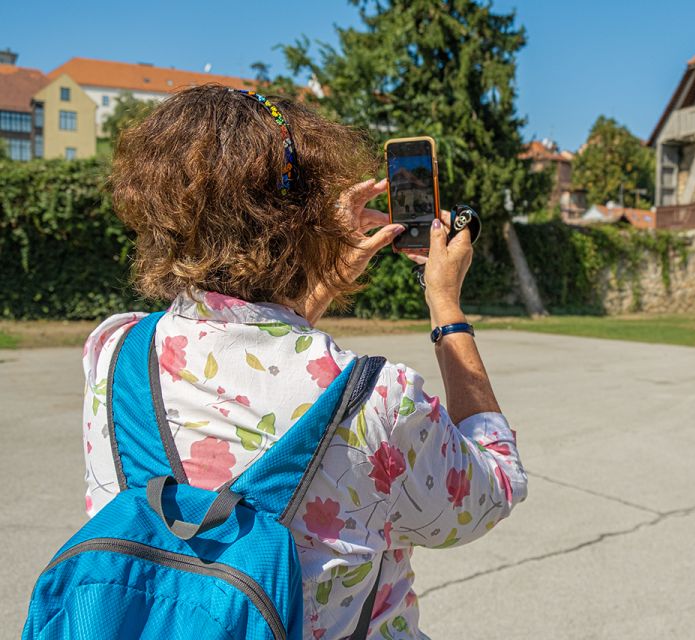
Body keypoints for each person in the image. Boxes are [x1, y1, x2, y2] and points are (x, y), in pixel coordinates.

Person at [81, 85, 527, 639]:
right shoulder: (377, 399)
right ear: (304, 219)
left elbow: (259, 359)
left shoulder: (113, 351)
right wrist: (446, 303)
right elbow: (491, 492)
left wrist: (313, 283)